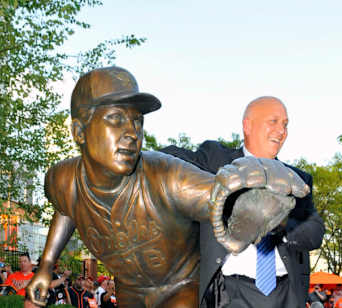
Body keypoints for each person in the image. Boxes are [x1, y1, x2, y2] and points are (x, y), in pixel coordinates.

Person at [26, 67, 309, 308]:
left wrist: (259, 196)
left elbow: (219, 197)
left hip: (182, 286)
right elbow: (66, 208)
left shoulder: (165, 175)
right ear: (79, 132)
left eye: (137, 121)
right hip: (129, 290)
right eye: (115, 119)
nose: (131, 133)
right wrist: (46, 266)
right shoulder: (61, 180)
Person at [161, 96, 325, 308]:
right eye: (273, 121)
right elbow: (166, 159)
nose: (281, 130)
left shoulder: (296, 179)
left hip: (286, 295)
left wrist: (278, 223)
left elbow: (315, 232)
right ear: (247, 125)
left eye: (285, 124)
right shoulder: (216, 161)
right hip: (230, 293)